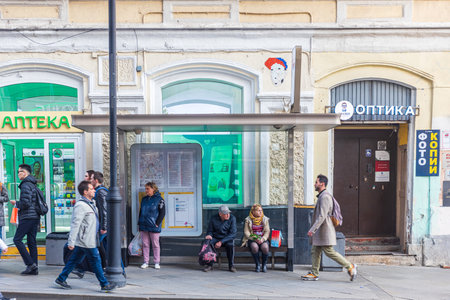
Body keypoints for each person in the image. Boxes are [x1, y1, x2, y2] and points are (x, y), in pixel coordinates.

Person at [54, 181, 116, 292]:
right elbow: (75, 224)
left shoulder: (92, 203)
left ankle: (61, 278)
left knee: (74, 261)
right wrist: (71, 241)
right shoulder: (80, 205)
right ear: (85, 192)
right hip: (86, 240)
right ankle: (104, 284)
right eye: (91, 189)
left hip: (89, 239)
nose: (94, 190)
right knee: (96, 260)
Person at [301, 174, 357, 281]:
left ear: (322, 184)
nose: (314, 184)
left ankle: (350, 266)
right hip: (321, 230)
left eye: (316, 182)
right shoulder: (322, 195)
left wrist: (312, 229)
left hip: (324, 230)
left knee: (329, 251)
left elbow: (322, 216)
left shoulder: (325, 197)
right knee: (315, 250)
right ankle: (314, 273)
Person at [10, 164, 40, 275]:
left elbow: (26, 203)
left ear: (25, 173)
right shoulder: (32, 184)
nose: (18, 174)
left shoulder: (25, 184)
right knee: (31, 242)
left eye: (19, 171)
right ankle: (34, 268)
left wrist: (16, 203)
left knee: (17, 239)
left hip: (28, 216)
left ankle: (30, 264)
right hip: (35, 216)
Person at [138, 181, 165, 269]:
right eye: (145, 189)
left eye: (148, 189)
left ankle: (156, 262)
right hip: (143, 225)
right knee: (145, 244)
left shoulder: (160, 199)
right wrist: (139, 223)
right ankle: (146, 262)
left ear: (153, 189)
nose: (146, 190)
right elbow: (141, 211)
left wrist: (157, 223)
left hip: (153, 225)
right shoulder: (144, 199)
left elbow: (162, 213)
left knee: (155, 245)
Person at [204, 205, 237, 272]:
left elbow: (233, 234)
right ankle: (210, 265)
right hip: (216, 237)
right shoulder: (213, 218)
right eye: (226, 214)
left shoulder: (232, 218)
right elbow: (210, 230)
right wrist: (209, 235)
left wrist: (221, 242)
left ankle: (231, 265)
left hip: (227, 238)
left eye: (229, 213)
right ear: (220, 214)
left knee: (230, 245)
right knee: (209, 243)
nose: (228, 215)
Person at [241, 204, 270, 272]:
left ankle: (264, 265)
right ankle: (257, 264)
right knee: (254, 247)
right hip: (252, 239)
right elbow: (246, 232)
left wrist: (262, 239)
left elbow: (267, 231)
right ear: (253, 212)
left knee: (265, 247)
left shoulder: (265, 219)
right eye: (258, 210)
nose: (260, 212)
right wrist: (254, 238)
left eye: (261, 210)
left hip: (263, 238)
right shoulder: (248, 219)